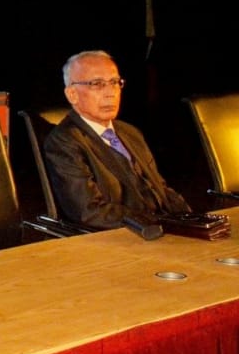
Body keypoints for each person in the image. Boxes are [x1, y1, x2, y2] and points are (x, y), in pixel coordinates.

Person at [43, 49, 191, 229]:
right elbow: (89, 211)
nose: (110, 93)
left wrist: (191, 219)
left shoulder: (130, 132)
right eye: (97, 84)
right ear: (72, 94)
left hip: (164, 227)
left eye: (114, 82)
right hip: (126, 234)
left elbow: (160, 189)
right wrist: (158, 223)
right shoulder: (64, 141)